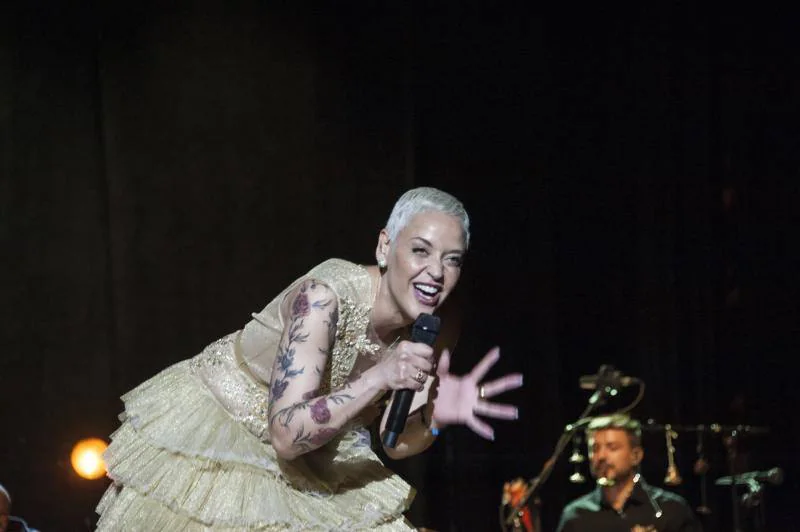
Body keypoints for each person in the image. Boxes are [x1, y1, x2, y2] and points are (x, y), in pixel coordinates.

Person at [95, 186, 524, 530]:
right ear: (384, 247)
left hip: (318, 452)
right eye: (420, 251)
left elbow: (394, 443)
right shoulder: (325, 297)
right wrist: (378, 378)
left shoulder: (437, 325)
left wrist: (432, 418)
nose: (436, 272)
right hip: (227, 437)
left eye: (452, 260)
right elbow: (284, 434)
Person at [556, 415, 702, 532]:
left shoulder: (670, 509)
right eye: (594, 449)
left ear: (636, 455)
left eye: (612, 447)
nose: (601, 456)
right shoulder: (576, 515)